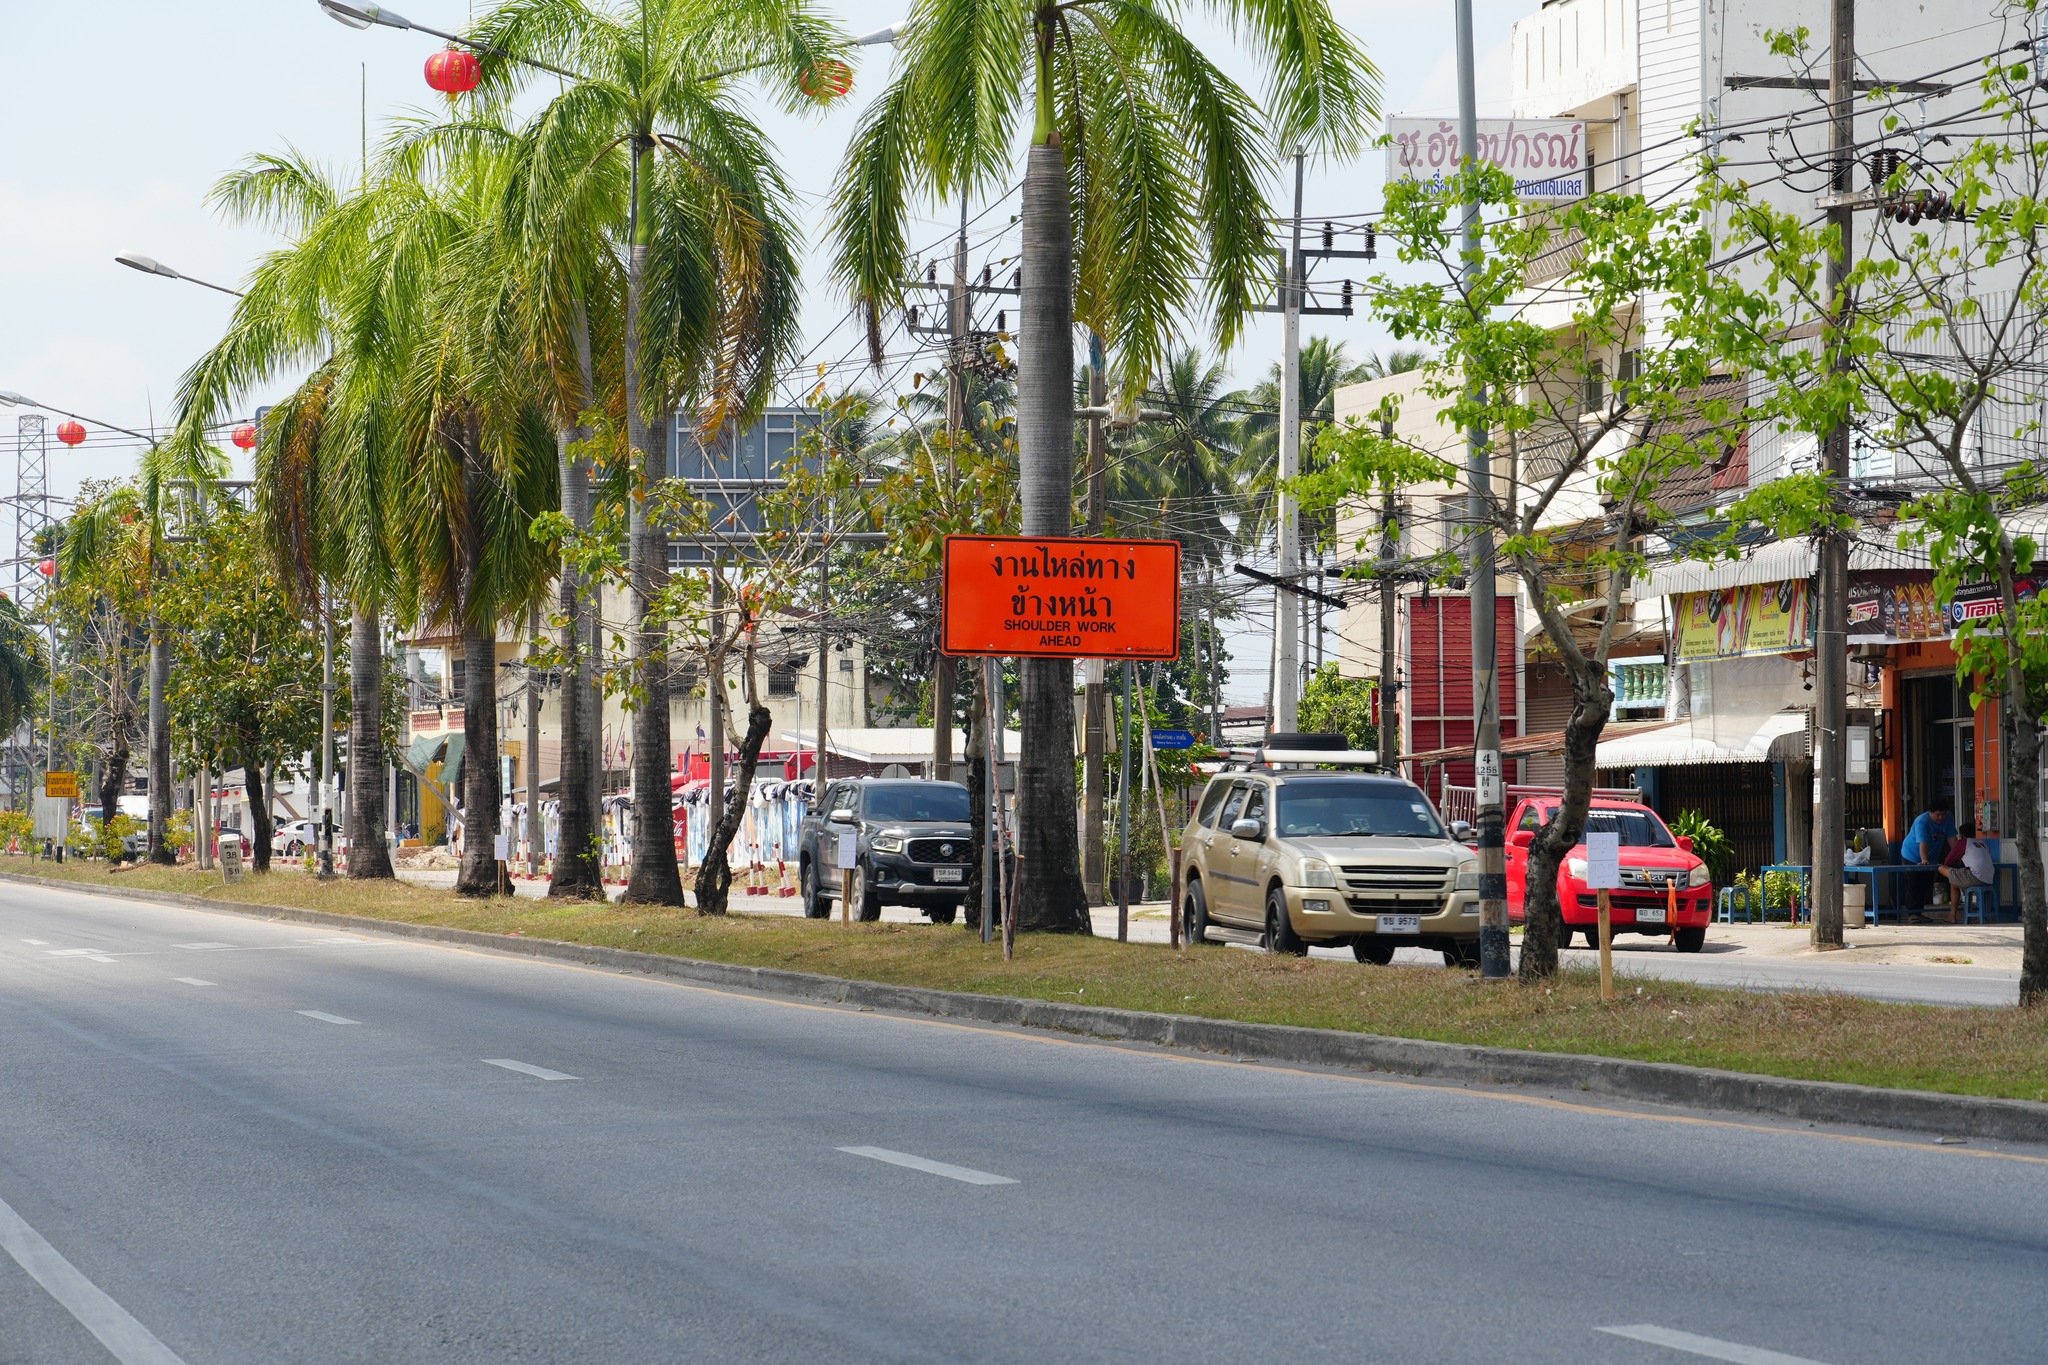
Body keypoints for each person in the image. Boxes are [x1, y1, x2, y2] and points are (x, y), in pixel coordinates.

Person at [1899, 804, 1957, 911]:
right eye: (1937, 815)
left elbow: (1952, 839)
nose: (1940, 818)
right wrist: (1924, 860)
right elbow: (1923, 843)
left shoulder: (1948, 817)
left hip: (1931, 857)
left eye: (1943, 814)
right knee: (1913, 884)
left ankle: (1922, 911)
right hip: (1912, 855)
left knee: (1927, 883)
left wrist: (1959, 855)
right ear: (1930, 813)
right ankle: (1913, 914)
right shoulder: (1922, 822)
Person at [1939, 820, 1996, 924]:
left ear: (1962, 835)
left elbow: (1948, 862)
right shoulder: (1981, 843)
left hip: (1975, 877)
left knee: (1941, 868)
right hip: (1989, 879)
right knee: (1954, 883)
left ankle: (1952, 915)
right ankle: (1955, 914)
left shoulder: (1962, 842)